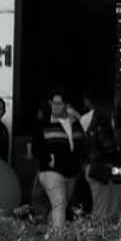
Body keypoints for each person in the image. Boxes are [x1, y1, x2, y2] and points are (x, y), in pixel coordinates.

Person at [35, 89, 85, 229]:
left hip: (71, 172)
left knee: (60, 206)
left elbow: (84, 141)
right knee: (59, 203)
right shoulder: (45, 123)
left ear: (67, 106)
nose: (55, 106)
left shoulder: (75, 124)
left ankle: (50, 237)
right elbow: (36, 147)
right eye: (53, 103)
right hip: (51, 171)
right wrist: (47, 160)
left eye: (59, 104)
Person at [83, 95, 121, 222]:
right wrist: (119, 158)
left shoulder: (92, 124)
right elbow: (109, 147)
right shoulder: (103, 126)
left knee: (110, 203)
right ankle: (96, 236)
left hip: (93, 168)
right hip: (99, 169)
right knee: (101, 207)